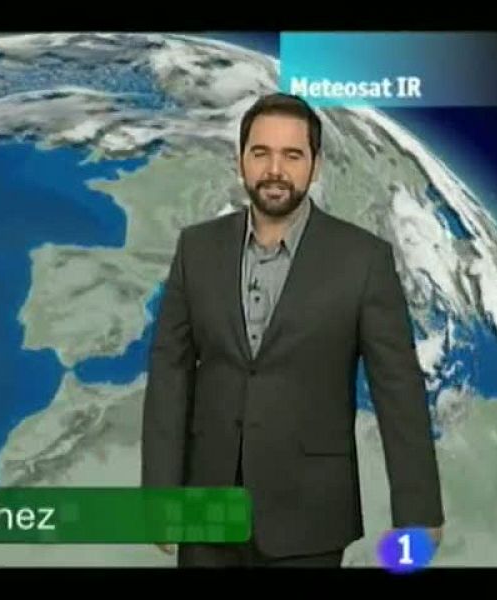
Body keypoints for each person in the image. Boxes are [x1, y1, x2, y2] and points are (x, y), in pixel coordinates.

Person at [140, 92, 445, 567]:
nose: (275, 169)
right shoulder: (196, 249)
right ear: (241, 160)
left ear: (315, 166)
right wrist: (160, 491)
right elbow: (170, 373)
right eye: (261, 153)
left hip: (310, 516)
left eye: (292, 155)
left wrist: (419, 511)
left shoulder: (363, 260)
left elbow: (398, 389)